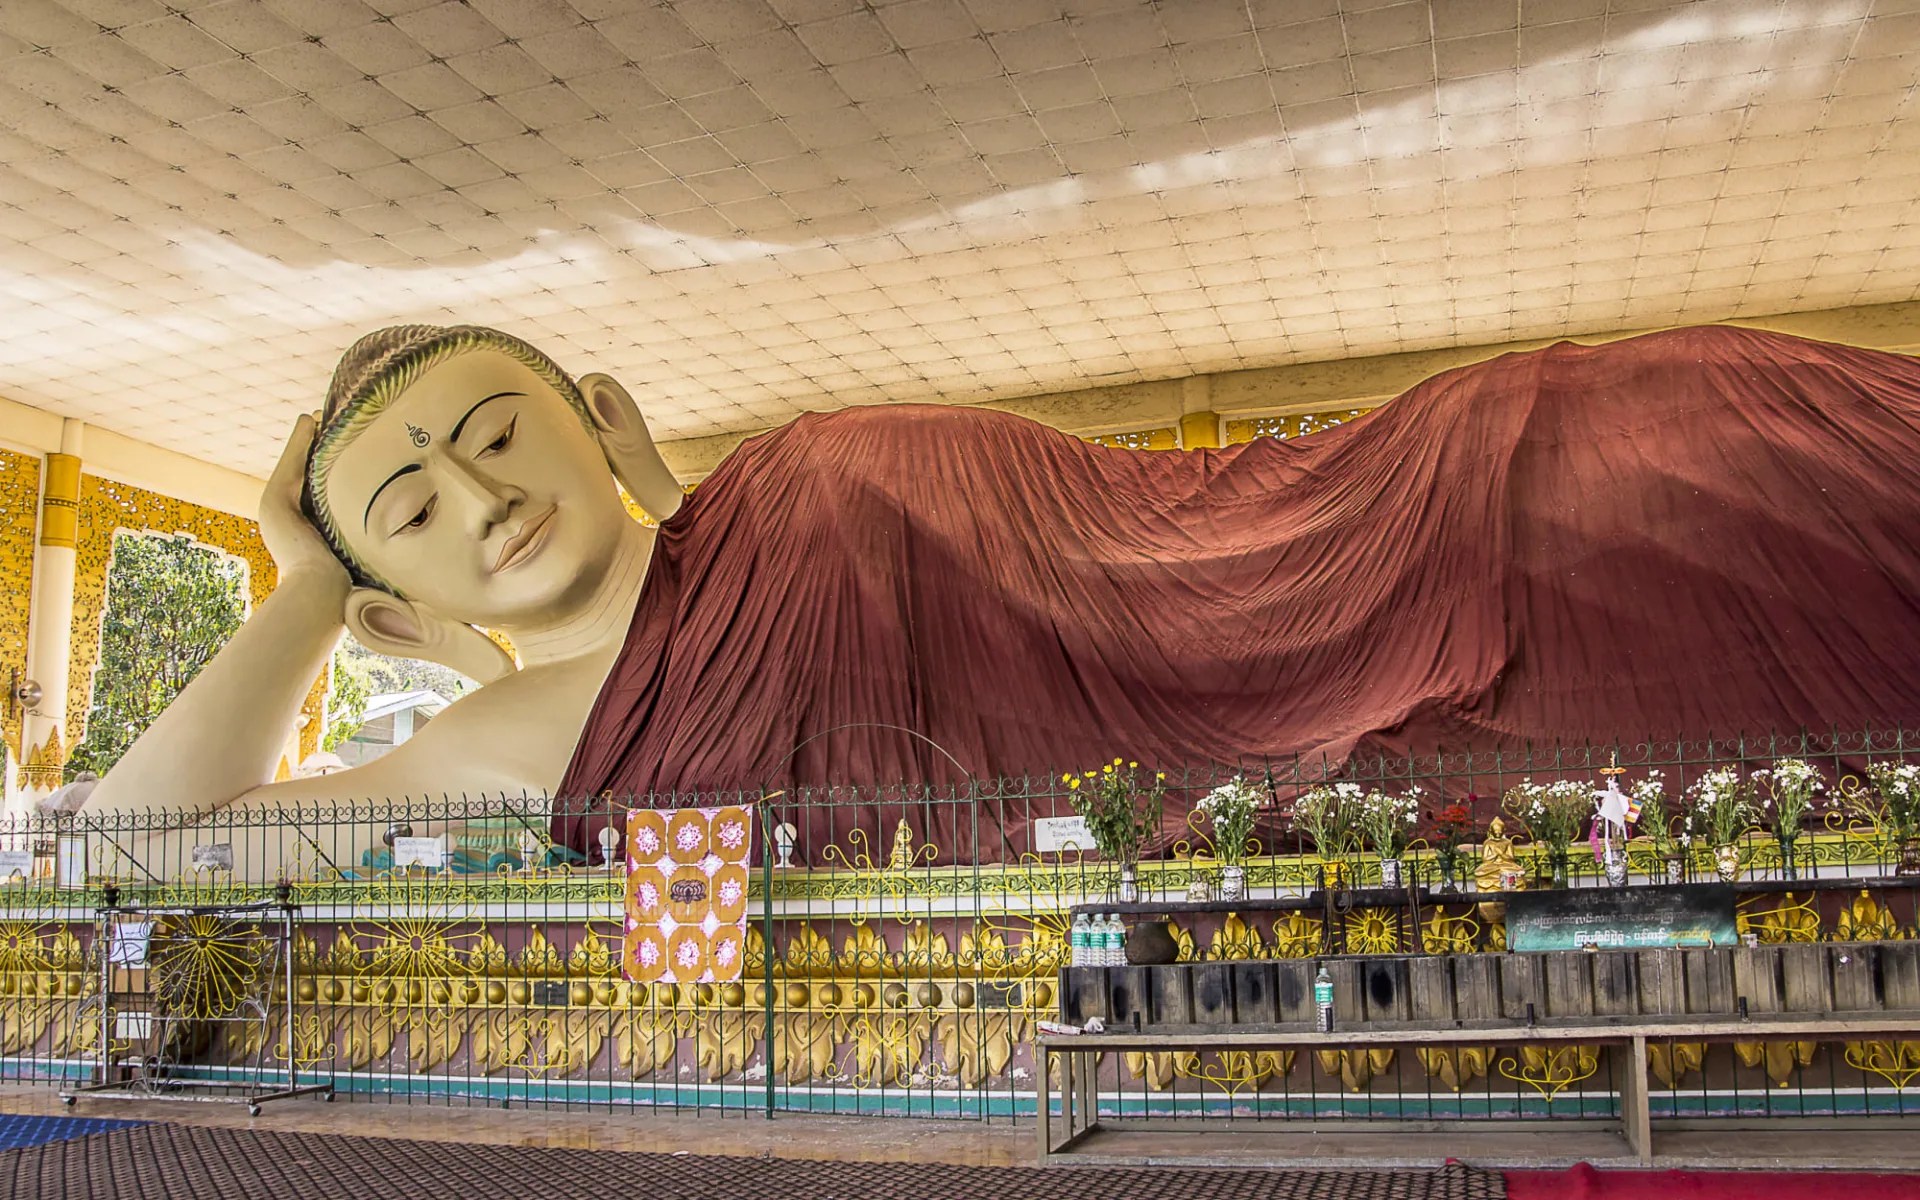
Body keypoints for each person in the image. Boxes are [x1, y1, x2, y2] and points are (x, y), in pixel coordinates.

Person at [82, 325, 684, 868]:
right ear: (396, 618)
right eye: (418, 514)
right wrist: (313, 592)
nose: (487, 501)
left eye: (496, 440)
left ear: (607, 419)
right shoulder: (482, 745)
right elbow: (119, 856)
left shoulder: (772, 514)